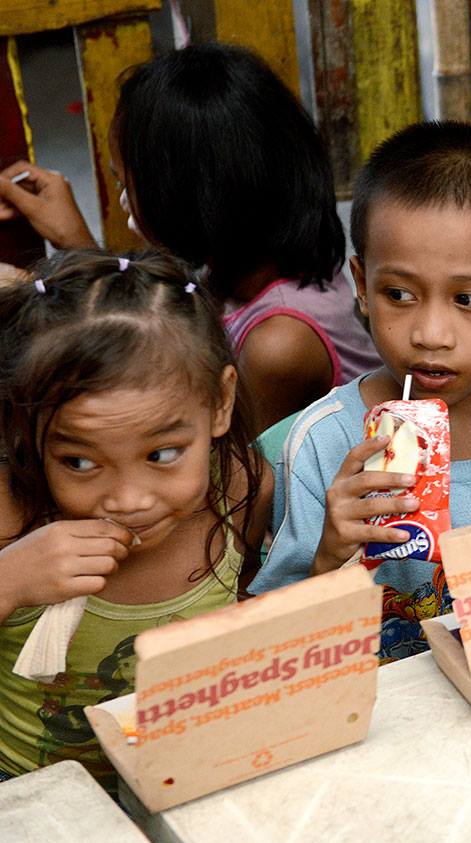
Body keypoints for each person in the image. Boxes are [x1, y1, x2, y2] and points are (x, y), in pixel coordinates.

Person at [253, 121, 471, 660]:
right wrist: (329, 556)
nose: (431, 335)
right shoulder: (325, 445)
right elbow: (278, 647)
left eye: (468, 299)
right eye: (398, 294)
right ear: (361, 286)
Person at [0, 43, 380, 434]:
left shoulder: (279, 344)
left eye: (124, 183)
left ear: (180, 201)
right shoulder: (266, 251)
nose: (124, 199)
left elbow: (227, 460)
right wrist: (75, 242)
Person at [0, 250, 270, 789]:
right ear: (25, 430)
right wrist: (9, 580)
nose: (128, 500)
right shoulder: (10, 512)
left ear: (220, 402)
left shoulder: (240, 489)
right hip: (30, 793)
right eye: (79, 462)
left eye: (162, 454)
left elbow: (248, 605)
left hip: (187, 778)